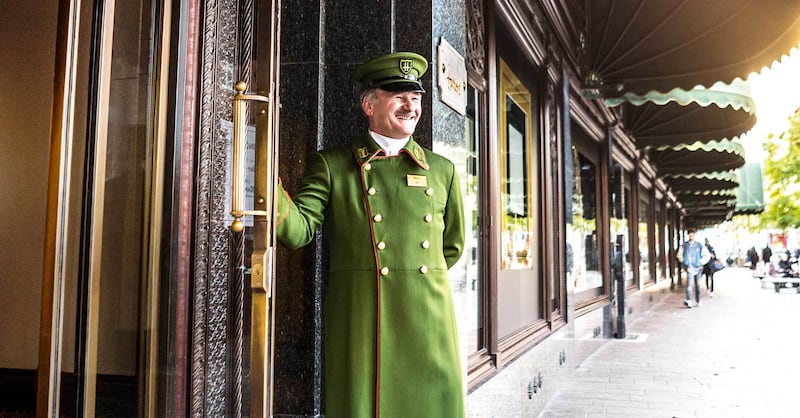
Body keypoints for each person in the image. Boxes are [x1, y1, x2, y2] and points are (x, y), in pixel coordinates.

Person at [275, 52, 466, 418]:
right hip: (363, 316)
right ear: (369, 104)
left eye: (416, 98)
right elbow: (297, 232)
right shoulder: (333, 165)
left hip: (429, 316)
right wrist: (267, 186)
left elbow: (452, 246)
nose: (410, 106)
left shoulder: (442, 170)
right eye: (398, 96)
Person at [681, 229, 710, 308]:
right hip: (689, 268)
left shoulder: (699, 245)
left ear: (695, 235)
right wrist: (684, 261)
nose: (691, 236)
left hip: (698, 268)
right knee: (689, 285)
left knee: (697, 284)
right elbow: (679, 255)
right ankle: (689, 300)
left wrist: (701, 262)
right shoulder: (684, 245)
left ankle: (698, 300)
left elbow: (707, 255)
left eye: (692, 235)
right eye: (690, 235)